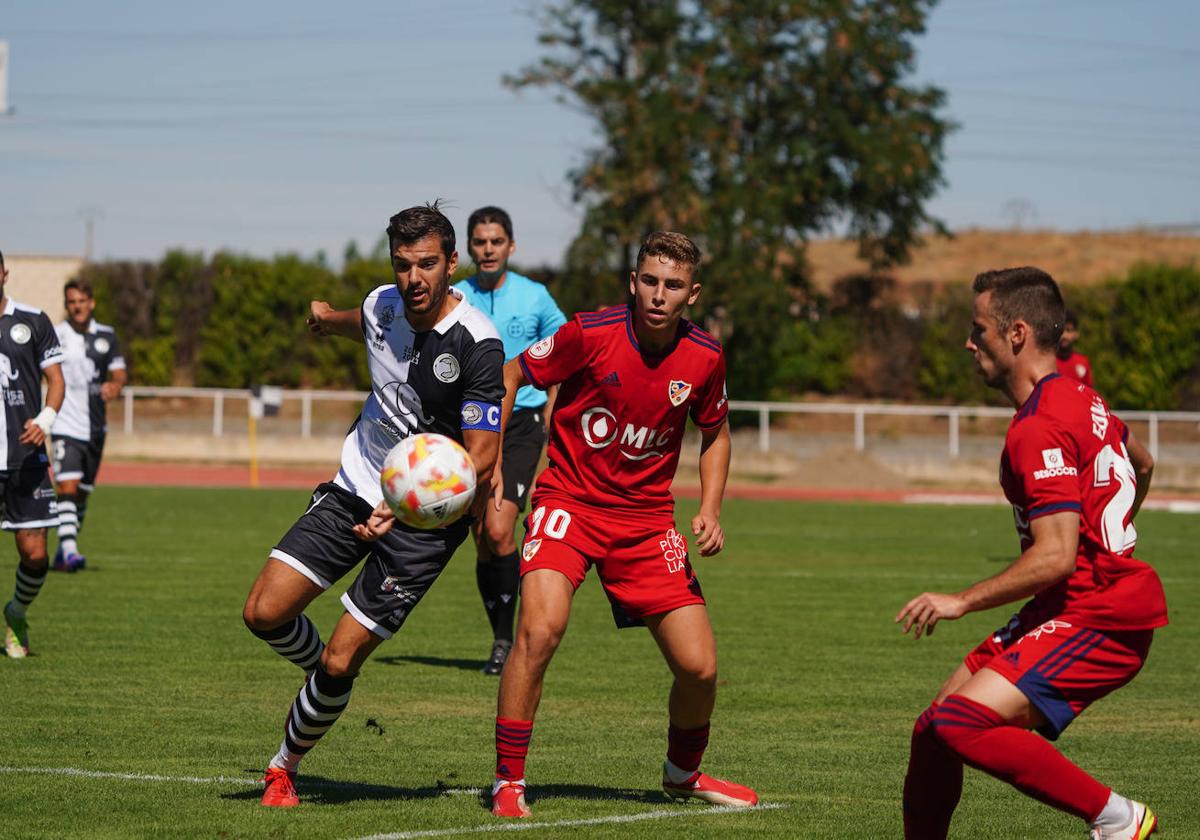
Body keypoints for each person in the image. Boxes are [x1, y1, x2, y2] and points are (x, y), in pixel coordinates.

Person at [240, 204, 504, 807]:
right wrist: (318, 318)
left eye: (428, 265)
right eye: (404, 264)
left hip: (426, 522)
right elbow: (352, 321)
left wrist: (406, 506)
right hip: (354, 484)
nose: (415, 278)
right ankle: (327, 679)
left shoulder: (477, 345)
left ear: (452, 265)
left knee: (341, 657)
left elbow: (482, 458)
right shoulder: (382, 304)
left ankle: (283, 766)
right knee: (263, 613)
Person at [488, 231, 757, 818]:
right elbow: (511, 373)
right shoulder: (589, 331)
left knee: (700, 667)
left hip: (645, 523)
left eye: (674, 286)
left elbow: (715, 434)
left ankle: (682, 774)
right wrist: (492, 457)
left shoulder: (706, 357)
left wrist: (710, 508)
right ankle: (509, 780)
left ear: (693, 293)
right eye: (650, 281)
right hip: (570, 504)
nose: (659, 295)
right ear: (633, 282)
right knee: (539, 632)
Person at [897, 267, 1165, 840]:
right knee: (933, 730)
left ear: (1015, 333)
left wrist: (961, 601)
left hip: (1101, 613)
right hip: (1072, 603)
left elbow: (1055, 557)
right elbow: (1142, 463)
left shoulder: (1038, 425)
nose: (970, 344)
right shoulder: (1082, 396)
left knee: (962, 723)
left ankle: (1117, 820)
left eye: (979, 331)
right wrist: (1107, 536)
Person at [453, 206, 566, 676]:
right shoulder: (455, 297)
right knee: (483, 536)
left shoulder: (536, 297)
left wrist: (553, 429)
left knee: (499, 528)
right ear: (469, 249)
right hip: (470, 423)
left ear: (510, 246)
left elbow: (567, 358)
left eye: (496, 241)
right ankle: (501, 635)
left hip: (520, 424)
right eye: (479, 242)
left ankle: (510, 640)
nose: (487, 250)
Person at [0, 249, 67, 659]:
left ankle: (16, 612)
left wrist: (44, 419)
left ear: (4, 273)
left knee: (37, 554)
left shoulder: (32, 320)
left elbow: (56, 380)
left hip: (24, 458)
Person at [49, 279, 127, 572]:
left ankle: (63, 550)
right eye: (71, 302)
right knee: (66, 485)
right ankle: (70, 552)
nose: (77, 306)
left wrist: (115, 386)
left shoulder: (107, 336)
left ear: (91, 303)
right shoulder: (55, 335)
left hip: (95, 427)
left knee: (81, 492)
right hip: (64, 424)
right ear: (66, 305)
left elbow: (119, 372)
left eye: (81, 301)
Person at [1055, 308, 1094, 386]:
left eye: (1068, 330)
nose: (1064, 335)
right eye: (1061, 331)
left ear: (1076, 334)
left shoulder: (1083, 362)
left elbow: (1088, 392)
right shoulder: (1048, 360)